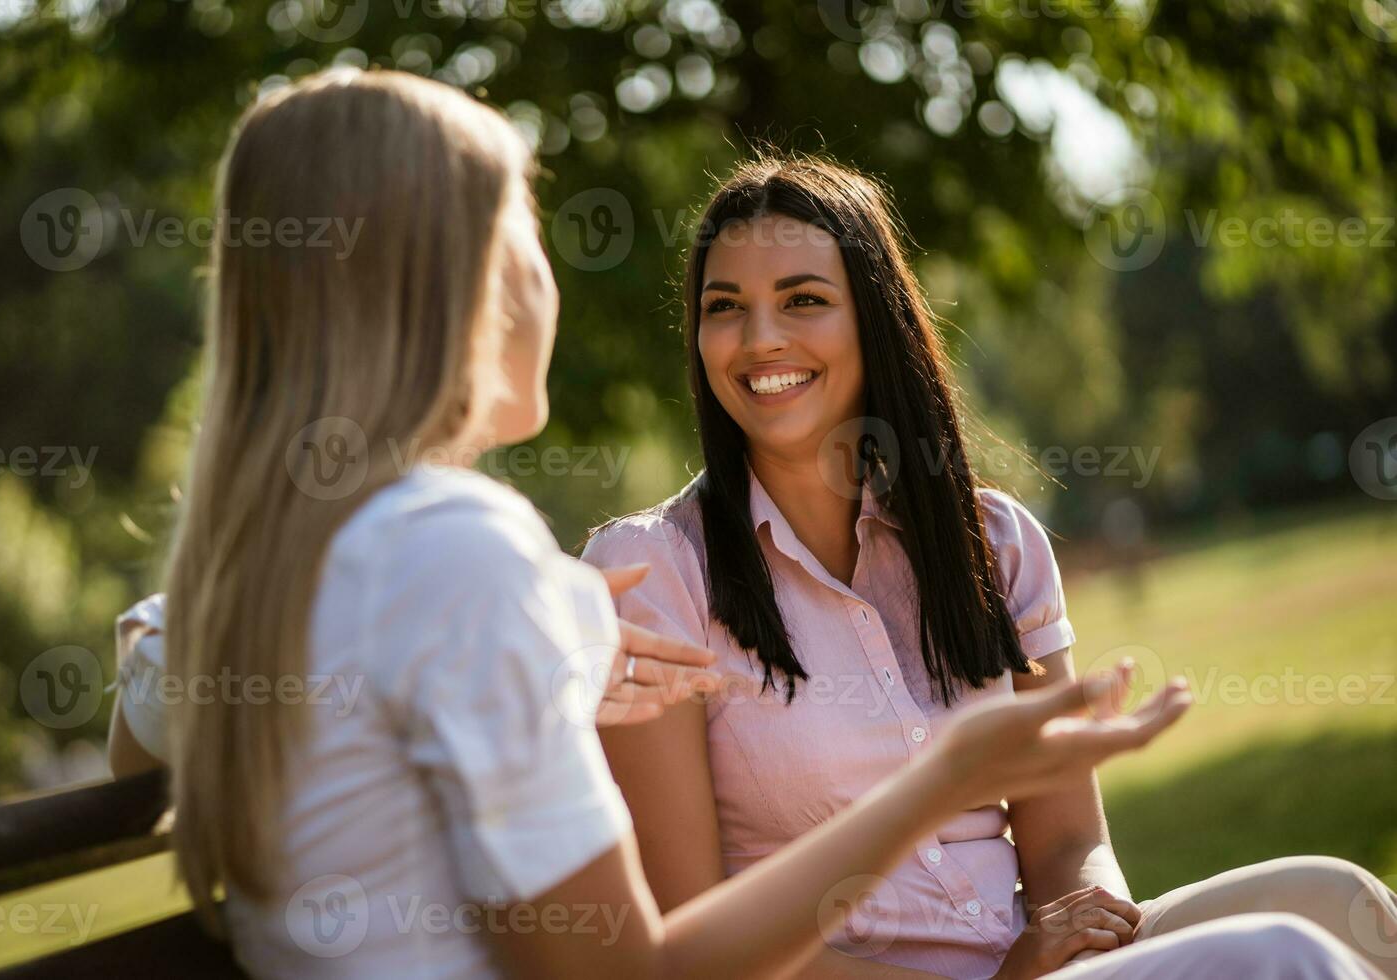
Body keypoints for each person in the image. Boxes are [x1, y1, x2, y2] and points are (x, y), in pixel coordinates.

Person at [106, 70, 1378, 980]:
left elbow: (148, 723)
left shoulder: (258, 574)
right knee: (1290, 958)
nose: (553, 271)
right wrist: (949, 771)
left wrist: (537, 658)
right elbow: (645, 968)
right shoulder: (461, 553)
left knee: (1331, 908)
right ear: (462, 286)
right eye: (528, 232)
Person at [581, 154, 1397, 980]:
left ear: (876, 318)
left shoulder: (993, 540)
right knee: (1283, 956)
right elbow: (688, 937)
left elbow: (1071, 840)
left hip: (1033, 966)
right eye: (726, 308)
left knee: (1341, 901)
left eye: (804, 300)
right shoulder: (651, 574)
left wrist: (1082, 933)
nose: (761, 340)